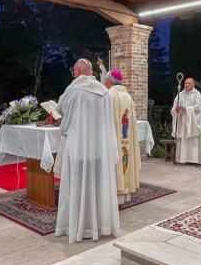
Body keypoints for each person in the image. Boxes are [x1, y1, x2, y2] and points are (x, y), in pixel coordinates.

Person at [55, 59, 120, 243]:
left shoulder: (73, 89)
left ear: (77, 71)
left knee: (76, 186)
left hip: (77, 147)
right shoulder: (104, 92)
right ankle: (99, 225)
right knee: (96, 186)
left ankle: (77, 226)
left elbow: (60, 109)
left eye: (74, 71)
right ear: (90, 72)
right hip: (98, 148)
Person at [103, 69, 141, 204]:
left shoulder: (109, 95)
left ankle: (113, 197)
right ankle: (124, 196)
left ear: (108, 81)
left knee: (117, 162)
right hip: (125, 137)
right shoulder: (128, 97)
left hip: (113, 140)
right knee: (125, 159)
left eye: (105, 80)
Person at [171, 77, 201, 165]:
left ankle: (194, 160)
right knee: (182, 139)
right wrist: (176, 110)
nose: (186, 85)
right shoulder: (180, 94)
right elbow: (174, 106)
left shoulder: (197, 94)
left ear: (193, 84)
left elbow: (198, 108)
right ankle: (181, 159)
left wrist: (186, 109)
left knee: (193, 140)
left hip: (192, 122)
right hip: (182, 121)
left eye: (189, 83)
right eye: (185, 83)